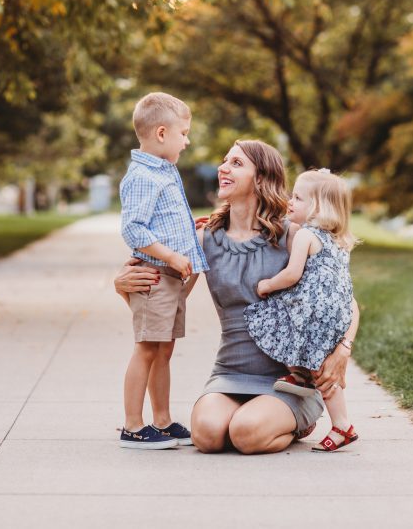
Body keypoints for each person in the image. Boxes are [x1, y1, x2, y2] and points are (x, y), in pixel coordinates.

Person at [114, 139, 359, 454]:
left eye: (236, 163)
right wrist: (125, 288)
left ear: (261, 178)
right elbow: (171, 302)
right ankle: (262, 420)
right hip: (230, 373)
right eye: (224, 160)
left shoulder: (293, 237)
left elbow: (344, 300)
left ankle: (297, 419)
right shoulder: (204, 238)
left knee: (245, 434)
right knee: (207, 436)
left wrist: (343, 349)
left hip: (286, 380)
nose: (223, 168)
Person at [116, 92, 208, 449]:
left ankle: (163, 420)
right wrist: (171, 256)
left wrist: (187, 230)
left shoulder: (163, 170)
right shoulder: (142, 175)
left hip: (169, 279)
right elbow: (134, 230)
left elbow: (160, 220)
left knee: (164, 350)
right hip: (156, 277)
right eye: (183, 133)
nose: (187, 141)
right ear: (161, 133)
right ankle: (133, 426)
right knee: (147, 349)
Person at [247, 169, 359, 452]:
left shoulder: (306, 235)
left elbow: (292, 274)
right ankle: (301, 377)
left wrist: (268, 285)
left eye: (297, 197)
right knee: (315, 358)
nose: (289, 201)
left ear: (317, 208)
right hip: (336, 314)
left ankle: (342, 425)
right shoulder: (339, 241)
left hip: (313, 315)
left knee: (274, 321)